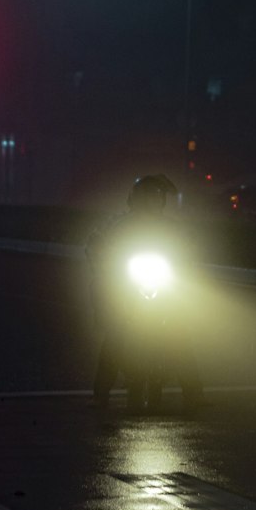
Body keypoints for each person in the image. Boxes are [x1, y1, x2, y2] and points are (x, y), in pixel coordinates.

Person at [86, 173, 204, 414]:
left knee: (179, 333)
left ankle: (194, 394)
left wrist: (188, 260)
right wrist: (105, 261)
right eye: (149, 196)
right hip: (125, 287)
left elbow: (189, 250)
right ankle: (101, 393)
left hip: (163, 285)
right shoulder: (116, 224)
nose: (154, 201)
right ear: (137, 198)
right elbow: (95, 246)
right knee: (115, 334)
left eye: (158, 197)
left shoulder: (172, 228)